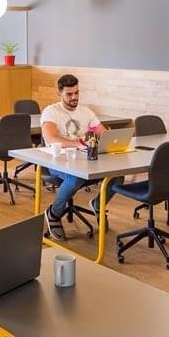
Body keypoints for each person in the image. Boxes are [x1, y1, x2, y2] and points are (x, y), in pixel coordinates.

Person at [40, 74, 108, 240]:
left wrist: (112, 140)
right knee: (76, 178)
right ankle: (54, 213)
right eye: (69, 94)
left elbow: (103, 132)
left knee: (117, 176)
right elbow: (51, 138)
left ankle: (98, 204)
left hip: (83, 160)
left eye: (77, 93)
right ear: (59, 94)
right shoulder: (51, 111)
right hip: (58, 161)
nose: (74, 97)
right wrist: (76, 143)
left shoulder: (86, 112)